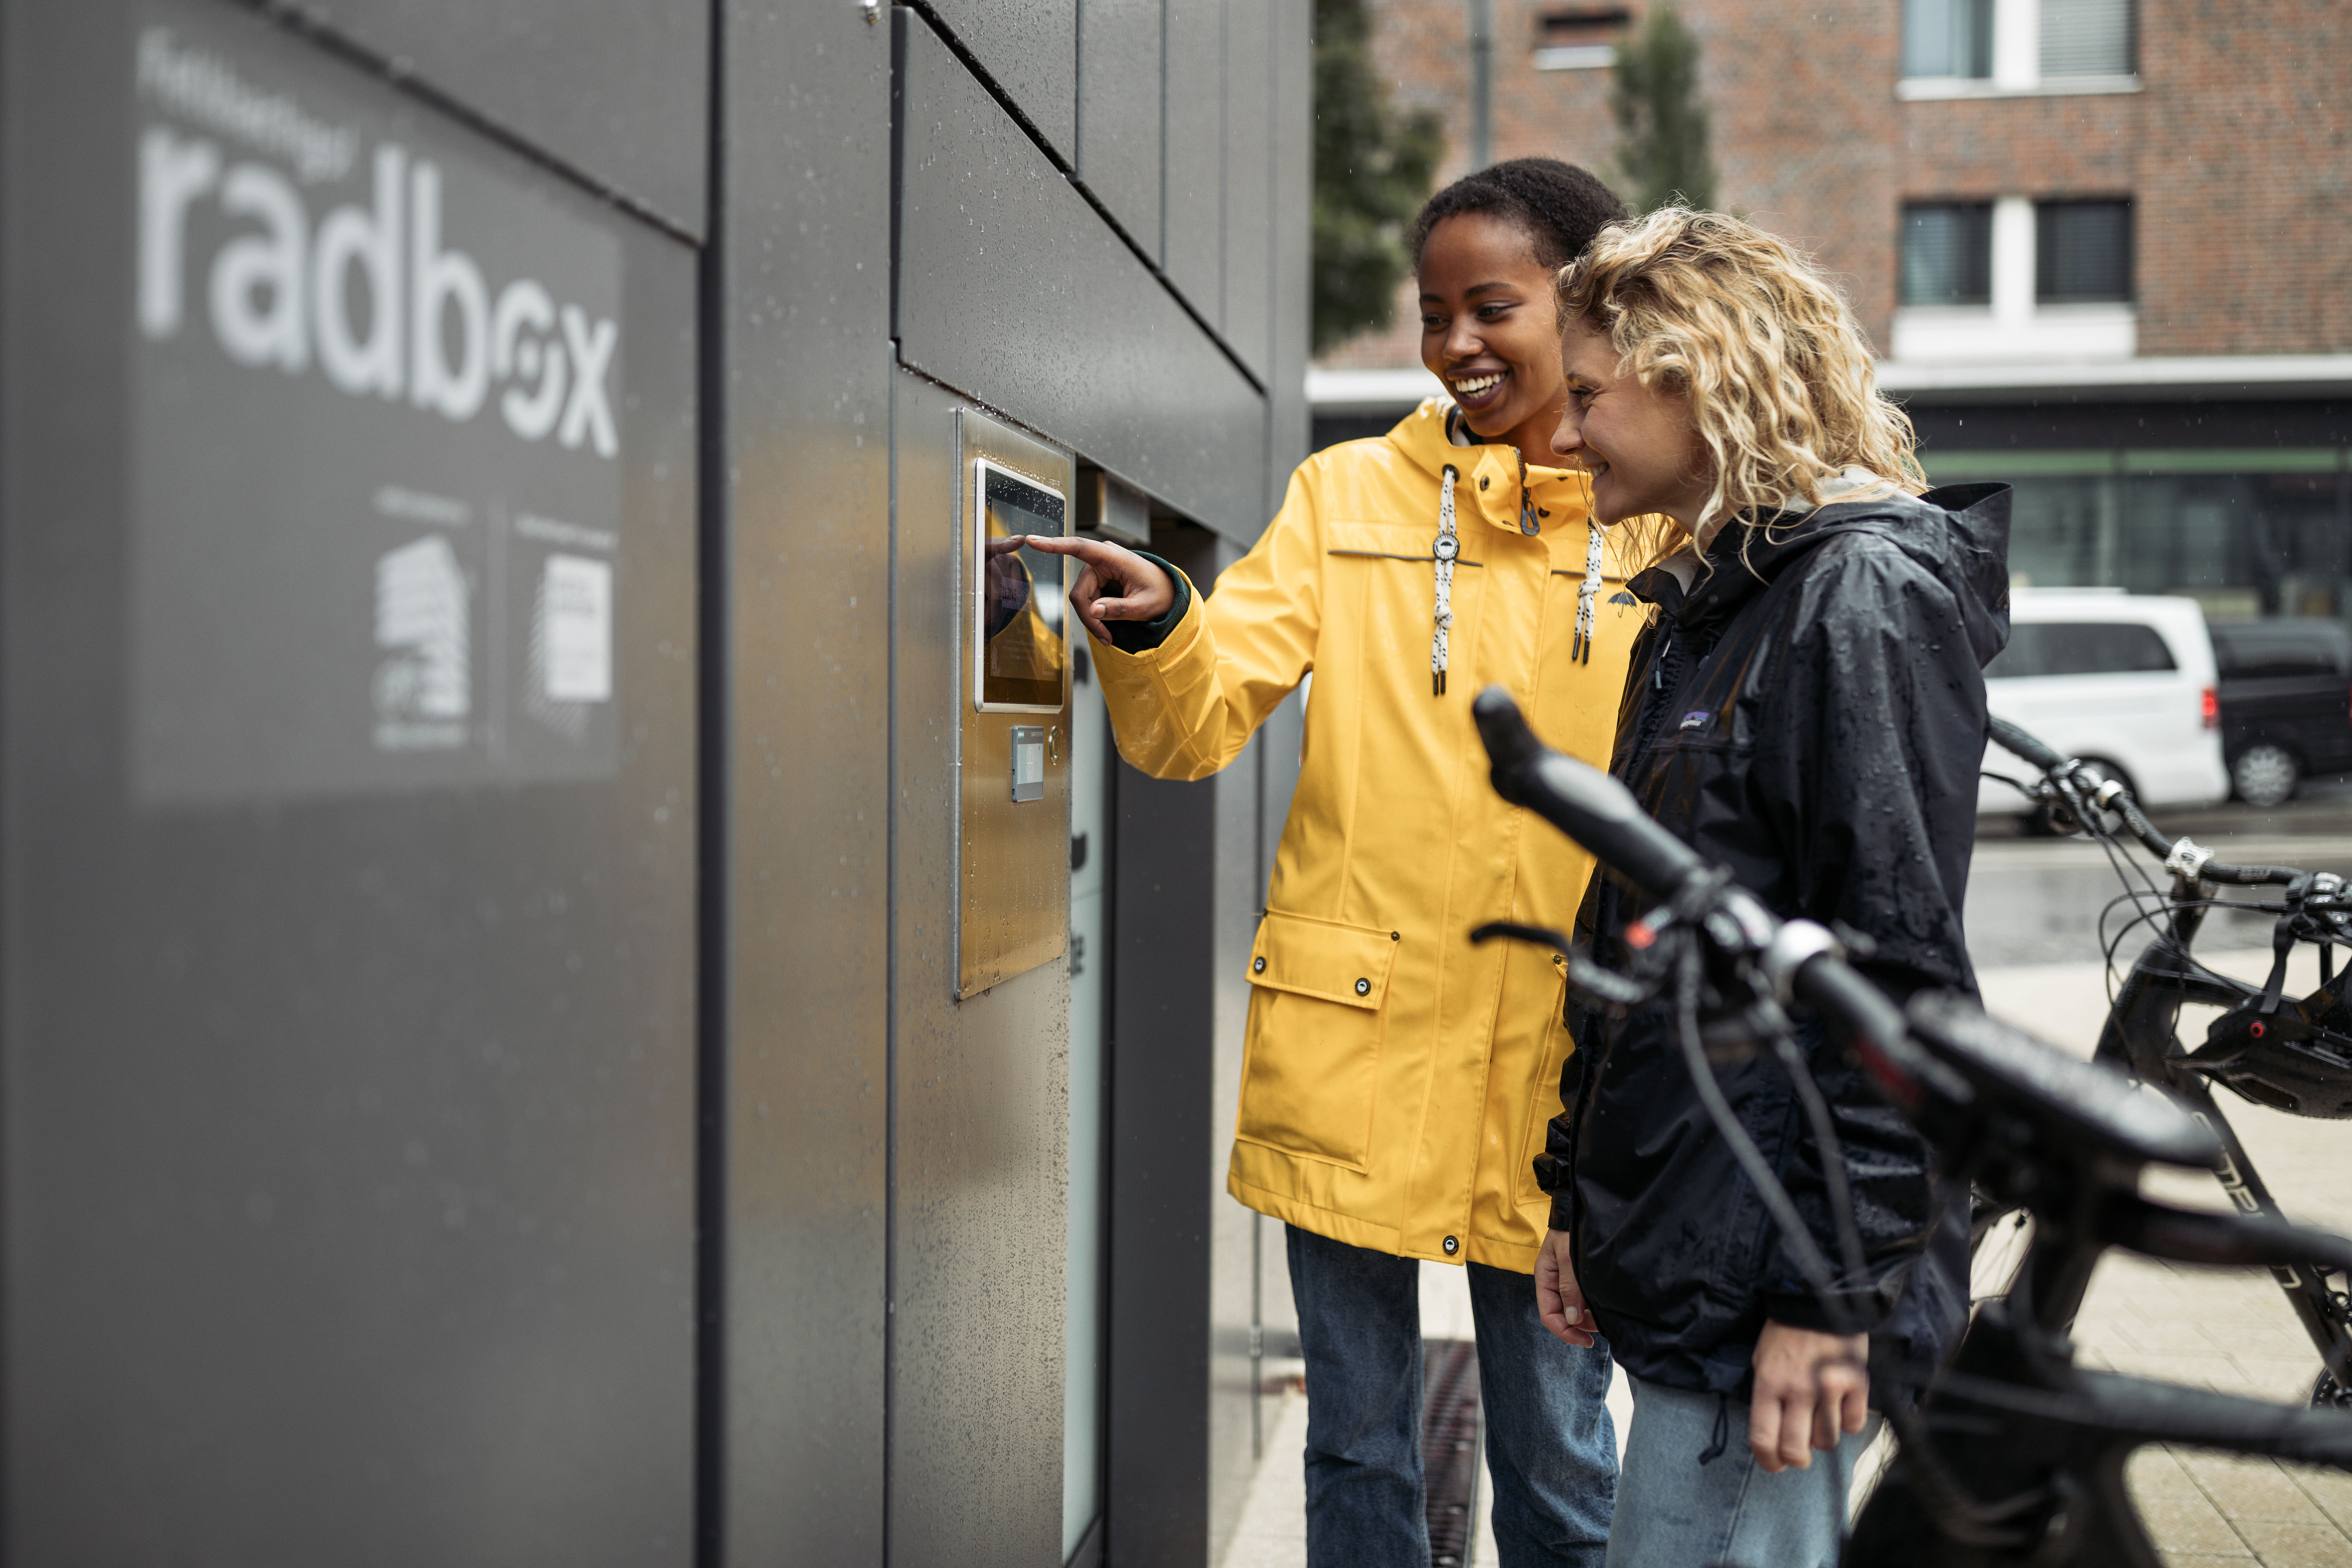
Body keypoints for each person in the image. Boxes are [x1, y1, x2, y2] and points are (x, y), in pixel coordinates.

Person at [1023, 160, 1644, 1567]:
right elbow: (1194, 724)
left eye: (1493, 305)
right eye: (1433, 314)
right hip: (1353, 1043)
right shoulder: (1348, 492)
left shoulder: (1656, 508)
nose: (1456, 344)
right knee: (1357, 1442)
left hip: (1567, 1071)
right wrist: (1161, 622)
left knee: (1561, 1454)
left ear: (1590, 300)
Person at [1532, 207, 2008, 1568]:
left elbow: (1890, 974)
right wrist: (1575, 1196)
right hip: (1696, 1245)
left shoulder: (1854, 595)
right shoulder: (1708, 607)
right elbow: (1637, 946)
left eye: (1589, 397)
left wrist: (1832, 1295)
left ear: (1697, 374)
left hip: (1775, 1287)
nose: (1563, 439)